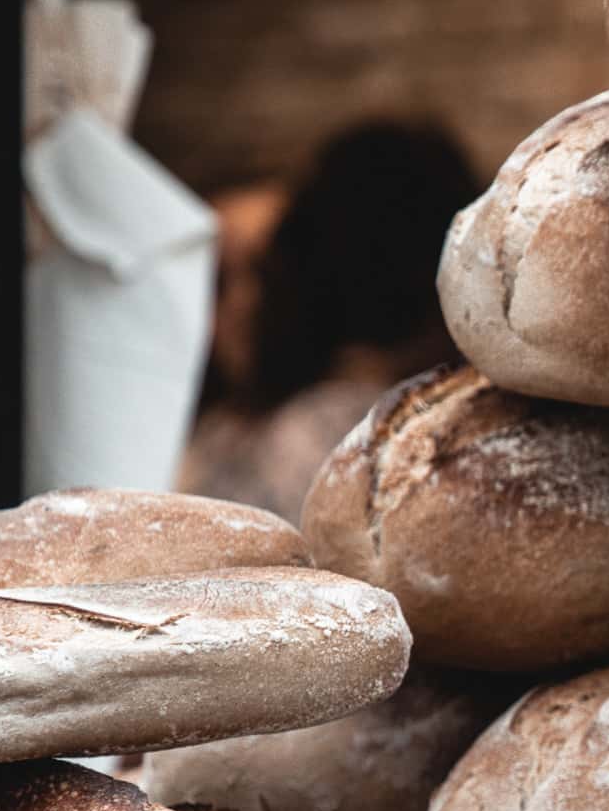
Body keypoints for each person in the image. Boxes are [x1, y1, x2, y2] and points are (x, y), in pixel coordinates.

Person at [177, 123, 478, 520]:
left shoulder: (315, 437)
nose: (243, 303)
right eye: (216, 280)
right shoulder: (230, 437)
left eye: (262, 272)